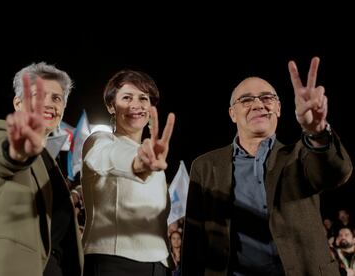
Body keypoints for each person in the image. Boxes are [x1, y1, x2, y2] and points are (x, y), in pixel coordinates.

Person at [182, 57, 353, 276]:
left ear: (279, 108)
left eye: (267, 98)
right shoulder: (205, 167)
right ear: (232, 114)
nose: (258, 104)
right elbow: (194, 243)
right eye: (246, 100)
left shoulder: (301, 154)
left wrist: (316, 131)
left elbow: (336, 172)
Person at [0, 62, 83, 276]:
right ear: (18, 103)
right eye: (38, 96)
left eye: (56, 98)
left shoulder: (51, 164)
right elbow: (0, 155)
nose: (48, 104)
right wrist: (16, 152)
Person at [81, 69, 175, 276]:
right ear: (111, 106)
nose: (136, 104)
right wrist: (137, 164)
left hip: (160, 264)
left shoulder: (153, 155)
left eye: (143, 98)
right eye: (126, 97)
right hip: (114, 263)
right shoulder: (100, 141)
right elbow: (107, 156)